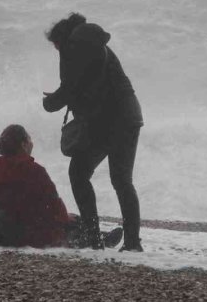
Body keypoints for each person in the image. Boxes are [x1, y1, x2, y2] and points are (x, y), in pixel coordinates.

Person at [42, 13, 144, 252]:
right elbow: (81, 86)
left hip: (106, 122)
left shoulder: (74, 49)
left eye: (56, 46)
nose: (57, 51)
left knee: (78, 174)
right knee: (122, 181)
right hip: (129, 116)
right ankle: (132, 242)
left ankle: (93, 238)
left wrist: (50, 103)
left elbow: (69, 89)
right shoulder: (95, 47)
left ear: (61, 40)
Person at [0, 123, 123, 249]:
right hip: (27, 230)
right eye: (29, 139)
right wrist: (65, 218)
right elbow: (53, 202)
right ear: (24, 144)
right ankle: (101, 240)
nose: (32, 143)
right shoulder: (34, 170)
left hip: (0, 225)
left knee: (69, 220)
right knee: (72, 223)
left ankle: (101, 236)